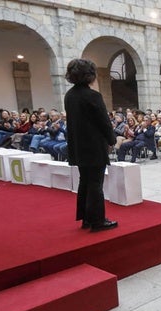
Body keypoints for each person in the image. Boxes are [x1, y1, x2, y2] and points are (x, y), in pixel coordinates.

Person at [64, 58, 117, 232]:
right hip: (94, 146)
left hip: (78, 146)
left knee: (84, 181)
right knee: (96, 184)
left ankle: (86, 218)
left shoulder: (69, 95)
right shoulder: (92, 96)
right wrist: (112, 139)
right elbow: (104, 122)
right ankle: (98, 221)